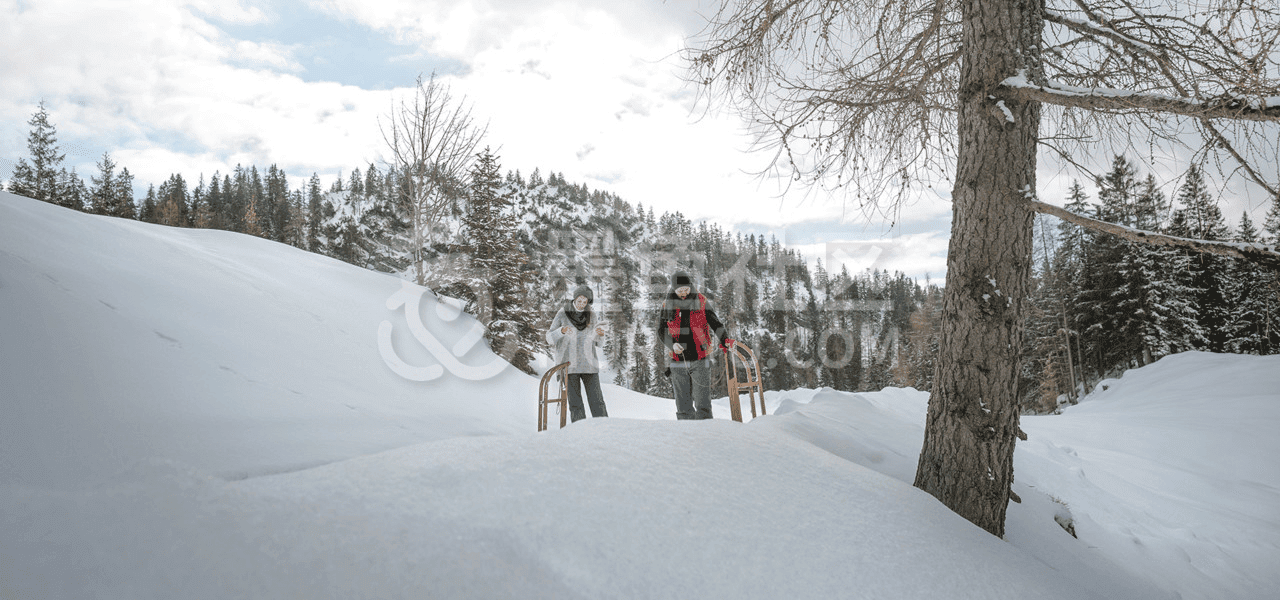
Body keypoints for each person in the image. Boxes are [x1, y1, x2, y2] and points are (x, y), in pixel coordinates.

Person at [658, 271, 734, 420]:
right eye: (680, 291)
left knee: (703, 403)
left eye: (686, 289)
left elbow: (715, 323)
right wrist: (672, 345)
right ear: (674, 289)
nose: (684, 293)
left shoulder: (701, 301)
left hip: (700, 358)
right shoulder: (667, 304)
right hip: (678, 361)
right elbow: (661, 331)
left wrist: (725, 339)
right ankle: (687, 435)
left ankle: (705, 434)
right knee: (683, 406)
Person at [546, 284, 608, 422]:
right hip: (568, 366)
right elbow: (549, 338)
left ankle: (605, 430)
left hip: (589, 365)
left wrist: (600, 334)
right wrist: (561, 331)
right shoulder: (563, 313)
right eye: (579, 300)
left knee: (597, 402)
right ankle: (580, 434)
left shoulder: (591, 315)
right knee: (575, 405)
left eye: (585, 302)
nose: (581, 304)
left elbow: (599, 343)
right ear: (574, 299)